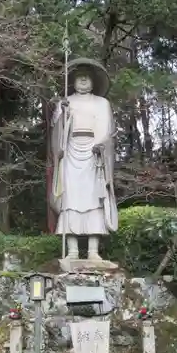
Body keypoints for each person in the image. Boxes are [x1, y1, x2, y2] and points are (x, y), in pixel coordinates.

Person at [50, 58, 118, 261]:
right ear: (72, 81)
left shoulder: (102, 103)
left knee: (93, 200)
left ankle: (93, 251)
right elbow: (57, 131)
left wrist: (100, 145)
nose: (82, 82)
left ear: (93, 81)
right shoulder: (66, 102)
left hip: (94, 155)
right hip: (70, 152)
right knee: (70, 200)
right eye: (79, 78)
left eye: (86, 78)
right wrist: (62, 114)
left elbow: (107, 130)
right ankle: (71, 251)